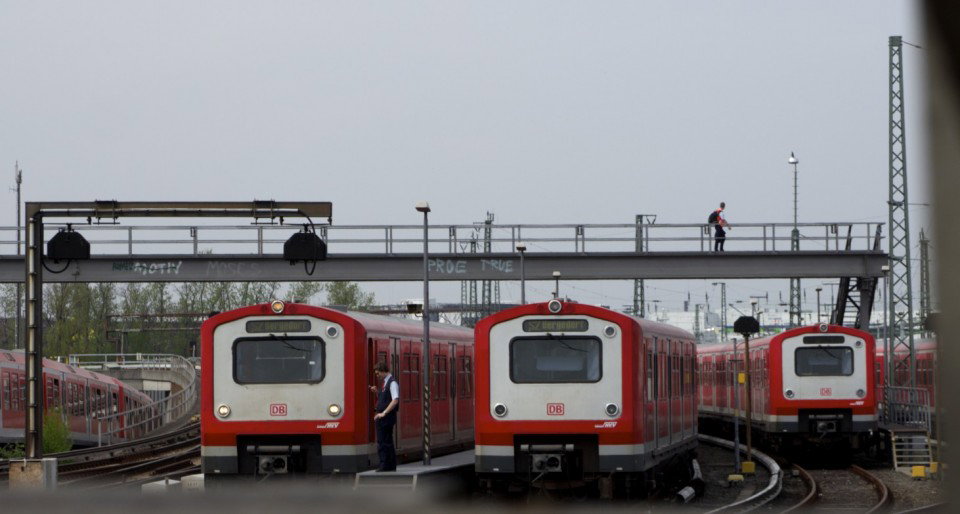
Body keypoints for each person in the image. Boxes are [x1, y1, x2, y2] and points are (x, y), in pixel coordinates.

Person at [369, 361, 399, 471]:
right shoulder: (386, 384)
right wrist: (377, 392)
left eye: (378, 373)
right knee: (387, 441)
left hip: (386, 418)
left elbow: (395, 400)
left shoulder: (392, 383)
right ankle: (390, 465)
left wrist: (384, 413)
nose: (377, 376)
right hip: (383, 417)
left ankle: (384, 465)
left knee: (383, 442)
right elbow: (386, 399)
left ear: (383, 371)